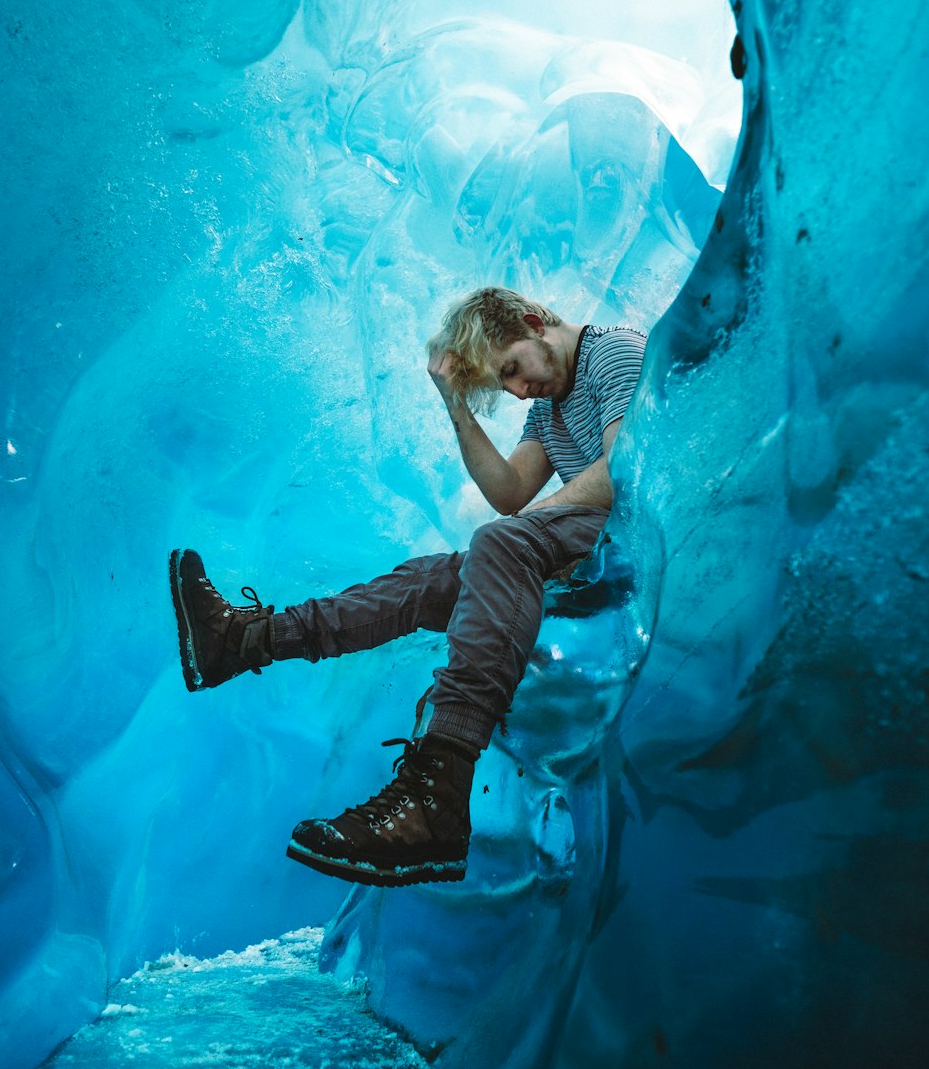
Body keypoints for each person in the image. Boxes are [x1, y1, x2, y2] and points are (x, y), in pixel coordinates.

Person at [169, 286, 646, 888]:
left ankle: (438, 796)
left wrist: (517, 537)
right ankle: (244, 640)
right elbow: (507, 492)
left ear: (533, 322)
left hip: (628, 547)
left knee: (496, 544)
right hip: (577, 554)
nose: (520, 389)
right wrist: (456, 402)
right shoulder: (546, 410)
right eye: (506, 385)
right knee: (431, 577)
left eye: (513, 370)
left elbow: (624, 467)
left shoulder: (613, 353)